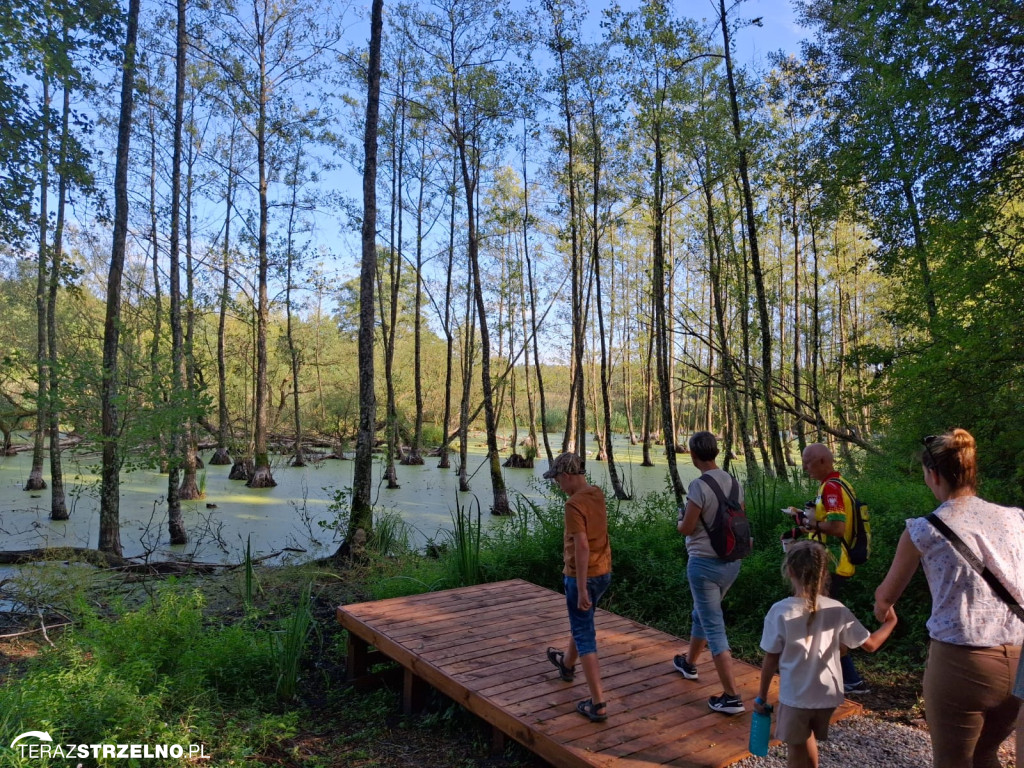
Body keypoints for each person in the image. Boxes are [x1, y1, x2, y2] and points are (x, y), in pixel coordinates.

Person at [873, 428, 1024, 768]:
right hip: (1018, 660)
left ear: (934, 474)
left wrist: (883, 606)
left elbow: (887, 596)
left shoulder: (923, 529)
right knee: (987, 755)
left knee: (953, 761)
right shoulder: (1016, 518)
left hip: (961, 663)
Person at [755, 540, 897, 768]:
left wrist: (761, 698)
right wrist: (891, 621)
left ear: (789, 571)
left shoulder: (780, 610)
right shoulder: (836, 608)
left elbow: (771, 658)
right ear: (824, 573)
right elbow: (870, 644)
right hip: (826, 698)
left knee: (795, 752)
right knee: (806, 736)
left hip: (797, 698)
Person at [672, 431, 745, 715]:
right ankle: (688, 664)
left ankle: (732, 696)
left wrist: (679, 520)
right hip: (732, 562)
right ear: (715, 451)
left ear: (692, 454)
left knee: (714, 626)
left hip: (704, 564)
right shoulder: (734, 483)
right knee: (702, 613)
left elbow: (687, 528)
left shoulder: (699, 486)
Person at [543, 452, 613, 722]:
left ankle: (598, 704)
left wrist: (582, 587)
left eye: (558, 479)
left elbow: (582, 545)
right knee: (582, 620)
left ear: (567, 476)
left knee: (585, 634)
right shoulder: (596, 493)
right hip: (604, 571)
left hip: (582, 576)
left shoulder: (573, 505)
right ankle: (567, 665)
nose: (558, 485)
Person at [793, 442, 868, 694]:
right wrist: (810, 521)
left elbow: (837, 528)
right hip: (832, 563)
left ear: (824, 461)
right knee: (823, 619)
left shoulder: (832, 488)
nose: (805, 468)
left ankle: (846, 677)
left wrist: (812, 525)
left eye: (808, 462)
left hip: (831, 564)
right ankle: (847, 677)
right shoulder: (839, 484)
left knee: (821, 620)